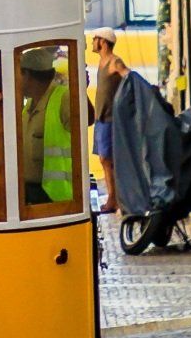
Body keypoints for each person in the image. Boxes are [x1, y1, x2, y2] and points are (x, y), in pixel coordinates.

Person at [17, 46, 75, 209]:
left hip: (55, 195)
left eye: (18, 74)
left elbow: (86, 120)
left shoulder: (64, 97)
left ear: (26, 75)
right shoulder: (29, 103)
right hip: (31, 191)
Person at [89, 35, 128, 214]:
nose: (92, 42)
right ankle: (114, 197)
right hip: (101, 118)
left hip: (111, 119)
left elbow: (129, 77)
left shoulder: (114, 62)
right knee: (104, 160)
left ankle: (115, 198)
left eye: (95, 39)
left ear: (103, 42)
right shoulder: (102, 62)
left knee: (109, 159)